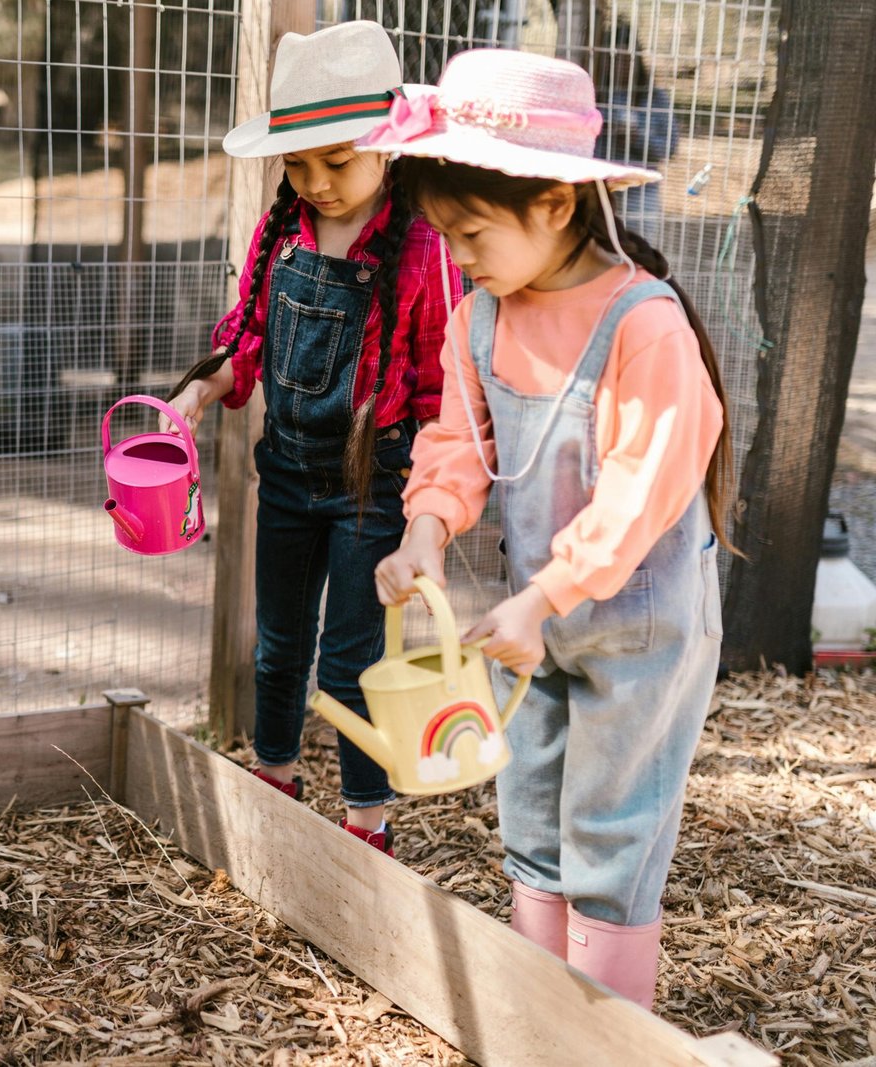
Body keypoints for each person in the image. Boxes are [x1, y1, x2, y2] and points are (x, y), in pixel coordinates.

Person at [361, 49, 732, 1008]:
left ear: (556, 205)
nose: (461, 257)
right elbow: (455, 441)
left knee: (613, 826)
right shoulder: (479, 318)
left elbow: (638, 495)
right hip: (534, 621)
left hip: (637, 627)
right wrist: (426, 533)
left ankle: (606, 1032)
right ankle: (541, 1012)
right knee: (528, 808)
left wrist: (545, 596)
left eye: (473, 232)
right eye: (447, 236)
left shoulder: (642, 326)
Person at [163, 21, 462, 855]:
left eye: (338, 161)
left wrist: (429, 512)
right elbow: (248, 338)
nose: (318, 182)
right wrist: (203, 386)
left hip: (375, 486)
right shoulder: (283, 230)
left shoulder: (423, 248)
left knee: (352, 663)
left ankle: (368, 823)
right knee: (278, 647)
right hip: (287, 474)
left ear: (387, 150)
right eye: (300, 163)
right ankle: (275, 780)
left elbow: (442, 389)